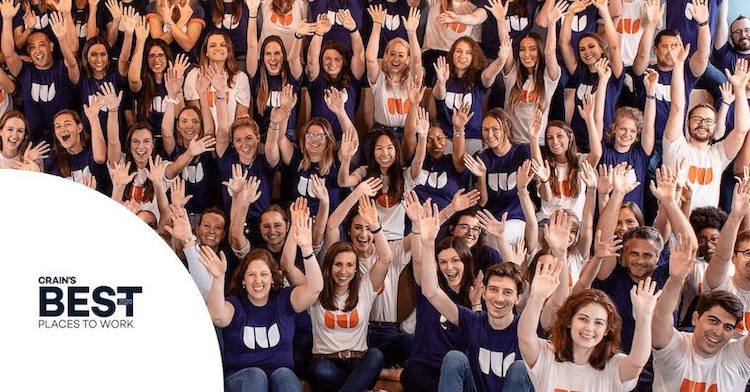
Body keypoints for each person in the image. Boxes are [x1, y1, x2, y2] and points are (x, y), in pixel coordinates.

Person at [199, 205, 323, 392]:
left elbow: (314, 289)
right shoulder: (236, 303)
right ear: (243, 281)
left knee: (285, 375)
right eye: (251, 275)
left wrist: (306, 248)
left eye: (264, 274)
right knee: (255, 377)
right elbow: (218, 317)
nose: (258, 280)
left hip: (279, 376)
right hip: (241, 378)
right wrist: (218, 278)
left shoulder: (284, 300)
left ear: (273, 279)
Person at [419, 198, 528, 392]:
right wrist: (427, 243)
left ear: (517, 298)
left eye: (507, 292)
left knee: (520, 368)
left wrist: (501, 239)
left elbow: (518, 279)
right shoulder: (474, 321)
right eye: (493, 290)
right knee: (455, 358)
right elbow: (431, 291)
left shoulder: (524, 328)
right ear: (483, 292)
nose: (499, 298)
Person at [520, 255, 658, 391]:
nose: (589, 328)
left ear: (606, 330)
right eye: (583, 319)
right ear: (569, 321)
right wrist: (536, 297)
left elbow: (637, 363)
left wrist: (644, 317)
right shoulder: (547, 355)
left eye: (598, 323)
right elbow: (525, 338)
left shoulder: (614, 366)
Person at [307, 197, 391, 391]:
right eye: (338, 264)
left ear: (355, 269)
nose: (343, 271)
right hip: (326, 363)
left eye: (349, 265)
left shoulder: (364, 286)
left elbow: (385, 259)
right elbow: (287, 267)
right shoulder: (317, 289)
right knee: (320, 370)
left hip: (357, 361)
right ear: (328, 267)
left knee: (376, 355)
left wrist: (376, 226)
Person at [651, 235, 750, 391]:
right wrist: (676, 279)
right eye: (713, 321)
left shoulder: (736, 355)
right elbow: (661, 315)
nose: (718, 331)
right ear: (696, 318)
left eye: (728, 327)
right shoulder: (675, 346)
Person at [662, 49, 749, 210]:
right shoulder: (675, 145)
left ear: (715, 126)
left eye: (709, 121)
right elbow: (677, 107)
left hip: (707, 228)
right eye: (697, 119)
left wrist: (740, 89)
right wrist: (678, 66)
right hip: (673, 227)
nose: (703, 124)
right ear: (687, 123)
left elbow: (741, 130)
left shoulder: (718, 154)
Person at [1, 0, 79, 143]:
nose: (37, 50)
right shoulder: (25, 71)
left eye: (42, 45)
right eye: (32, 47)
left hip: (64, 141)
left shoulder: (62, 69)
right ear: (28, 52)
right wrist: (6, 20)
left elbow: (73, 52)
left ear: (51, 47)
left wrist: (63, 31)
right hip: (34, 144)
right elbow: (8, 53)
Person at [305, 10, 365, 140]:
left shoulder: (352, 81)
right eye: (327, 58)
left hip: (346, 139)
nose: (332, 63)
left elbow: (359, 56)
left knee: (352, 153)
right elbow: (311, 60)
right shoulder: (317, 82)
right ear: (321, 61)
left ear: (343, 62)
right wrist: (319, 33)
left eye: (337, 59)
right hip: (320, 140)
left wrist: (353, 30)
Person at [365, 5, 422, 139]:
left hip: (408, 133)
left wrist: (412, 33)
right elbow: (370, 58)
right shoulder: (379, 77)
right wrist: (377, 24)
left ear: (407, 59)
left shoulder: (413, 78)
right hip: (382, 131)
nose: (396, 59)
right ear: (385, 56)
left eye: (401, 55)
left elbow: (417, 60)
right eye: (392, 54)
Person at [702, 178, 750, 335]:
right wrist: (736, 216)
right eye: (748, 253)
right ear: (734, 258)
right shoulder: (719, 284)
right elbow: (722, 256)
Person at [184, 31, 251, 122]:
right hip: (203, 134)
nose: (218, 48)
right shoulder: (194, 75)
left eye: (223, 45)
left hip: (230, 134)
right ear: (206, 52)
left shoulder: (240, 78)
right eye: (212, 45)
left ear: (228, 51)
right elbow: (195, 117)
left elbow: (240, 118)